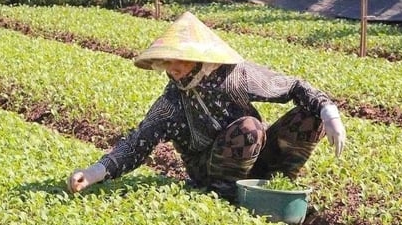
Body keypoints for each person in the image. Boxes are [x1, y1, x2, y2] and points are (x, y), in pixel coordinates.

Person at [67, 11, 347, 200]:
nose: (173, 68)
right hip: (211, 172)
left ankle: (274, 189)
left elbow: (293, 86)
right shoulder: (171, 104)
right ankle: (228, 197)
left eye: (181, 59)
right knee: (248, 129)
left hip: (256, 157)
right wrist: (93, 173)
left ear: (199, 58)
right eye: (168, 61)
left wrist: (328, 111)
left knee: (309, 116)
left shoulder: (236, 76)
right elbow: (137, 143)